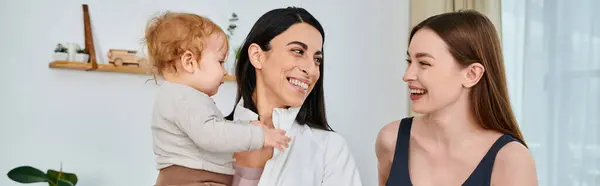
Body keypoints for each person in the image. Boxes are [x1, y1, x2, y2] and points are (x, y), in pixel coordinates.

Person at [375, 10, 538, 186]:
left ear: (471, 74)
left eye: (424, 63)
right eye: (409, 62)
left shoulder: (511, 161)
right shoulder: (391, 140)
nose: (407, 75)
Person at [143, 12, 291, 186]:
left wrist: (243, 127)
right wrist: (259, 135)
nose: (225, 71)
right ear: (189, 62)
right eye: (220, 62)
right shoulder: (183, 97)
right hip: (194, 180)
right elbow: (211, 135)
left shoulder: (180, 96)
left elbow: (213, 128)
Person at [223, 7, 363, 186]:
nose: (311, 70)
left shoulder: (330, 149)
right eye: (298, 51)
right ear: (257, 56)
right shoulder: (208, 138)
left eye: (317, 60)